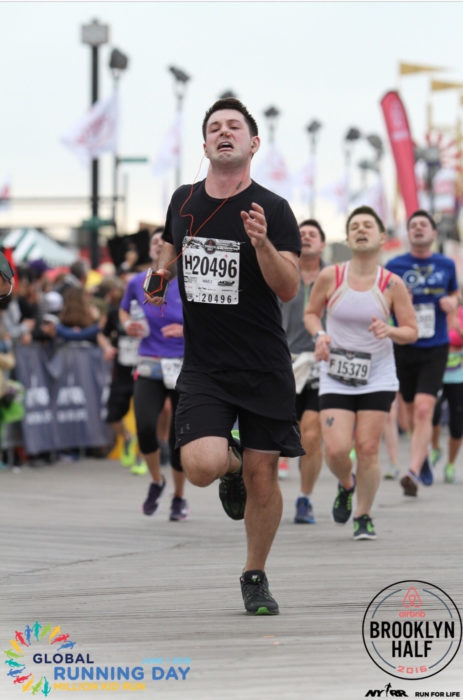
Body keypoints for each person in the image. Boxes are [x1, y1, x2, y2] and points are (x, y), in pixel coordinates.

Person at [146, 97, 303, 615]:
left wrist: (261, 246)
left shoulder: (272, 209)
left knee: (265, 476)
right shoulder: (184, 198)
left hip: (263, 364)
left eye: (235, 126)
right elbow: (173, 243)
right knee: (200, 466)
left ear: (253, 143)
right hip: (207, 364)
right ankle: (229, 464)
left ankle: (254, 573)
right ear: (206, 144)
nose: (224, 132)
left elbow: (287, 288)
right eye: (215, 127)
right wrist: (163, 273)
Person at [305, 205, 417, 540]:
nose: (361, 230)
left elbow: (411, 330)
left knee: (367, 448)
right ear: (348, 237)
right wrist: (320, 335)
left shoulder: (392, 283)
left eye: (368, 225)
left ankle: (364, 515)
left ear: (382, 237)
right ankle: (346, 483)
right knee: (337, 450)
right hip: (336, 371)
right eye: (355, 226)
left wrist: (391, 331)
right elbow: (311, 314)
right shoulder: (331, 277)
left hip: (377, 374)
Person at [385, 210, 458, 496]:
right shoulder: (394, 265)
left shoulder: (446, 265)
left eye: (423, 225)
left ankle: (413, 472)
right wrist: (400, 301)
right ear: (408, 233)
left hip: (435, 346)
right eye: (413, 225)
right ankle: (423, 455)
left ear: (433, 234)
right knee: (409, 413)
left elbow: (456, 293)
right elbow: (384, 301)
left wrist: (453, 301)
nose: (418, 228)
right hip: (404, 345)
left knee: (425, 410)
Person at [120, 233, 188, 522]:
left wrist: (188, 330)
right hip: (149, 362)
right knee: (145, 426)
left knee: (178, 436)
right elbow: (124, 311)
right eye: (155, 243)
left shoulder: (189, 281)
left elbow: (211, 319)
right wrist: (128, 326)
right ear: (150, 251)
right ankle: (157, 480)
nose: (160, 245)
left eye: (165, 242)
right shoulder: (138, 282)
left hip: (184, 363)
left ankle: (179, 496)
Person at [279, 218, 326, 523]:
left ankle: (305, 498)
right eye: (301, 233)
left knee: (311, 433)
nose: (306, 237)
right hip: (283, 363)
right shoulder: (280, 273)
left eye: (313, 233)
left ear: (323, 243)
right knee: (275, 438)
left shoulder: (335, 276)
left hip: (323, 363)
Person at [429, 296, 463, 484]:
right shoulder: (435, 315)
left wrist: (458, 329)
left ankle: (450, 464)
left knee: (457, 426)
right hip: (437, 375)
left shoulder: (461, 316)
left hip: (458, 378)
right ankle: (435, 448)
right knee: (433, 414)